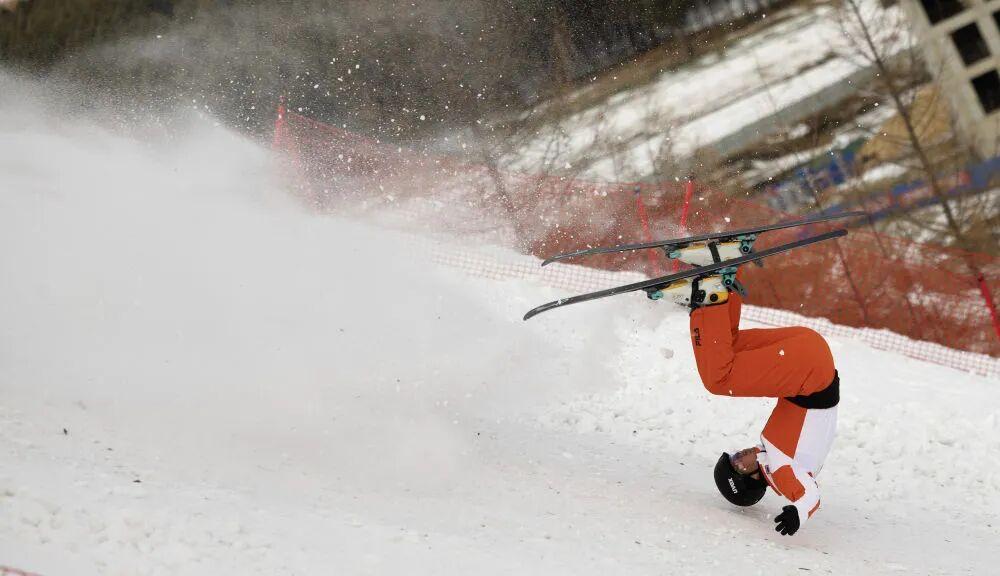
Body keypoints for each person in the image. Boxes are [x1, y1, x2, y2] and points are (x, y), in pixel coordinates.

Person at [655, 262, 840, 537]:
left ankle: (722, 271)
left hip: (810, 356)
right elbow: (811, 495)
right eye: (737, 465)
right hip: (810, 370)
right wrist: (798, 513)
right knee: (718, 380)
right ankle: (709, 295)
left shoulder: (775, 455)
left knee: (725, 347)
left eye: (733, 457)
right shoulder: (781, 472)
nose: (738, 455)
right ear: (750, 480)